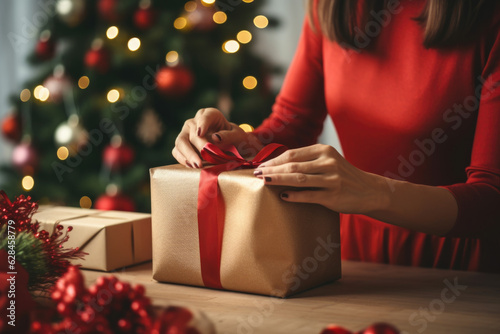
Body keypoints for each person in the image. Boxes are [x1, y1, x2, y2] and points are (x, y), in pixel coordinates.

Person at [173, 0, 500, 273]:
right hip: (349, 257)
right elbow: (294, 122)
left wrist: (374, 192)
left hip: (462, 269)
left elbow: (491, 198)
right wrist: (239, 142)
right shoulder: (331, 5)